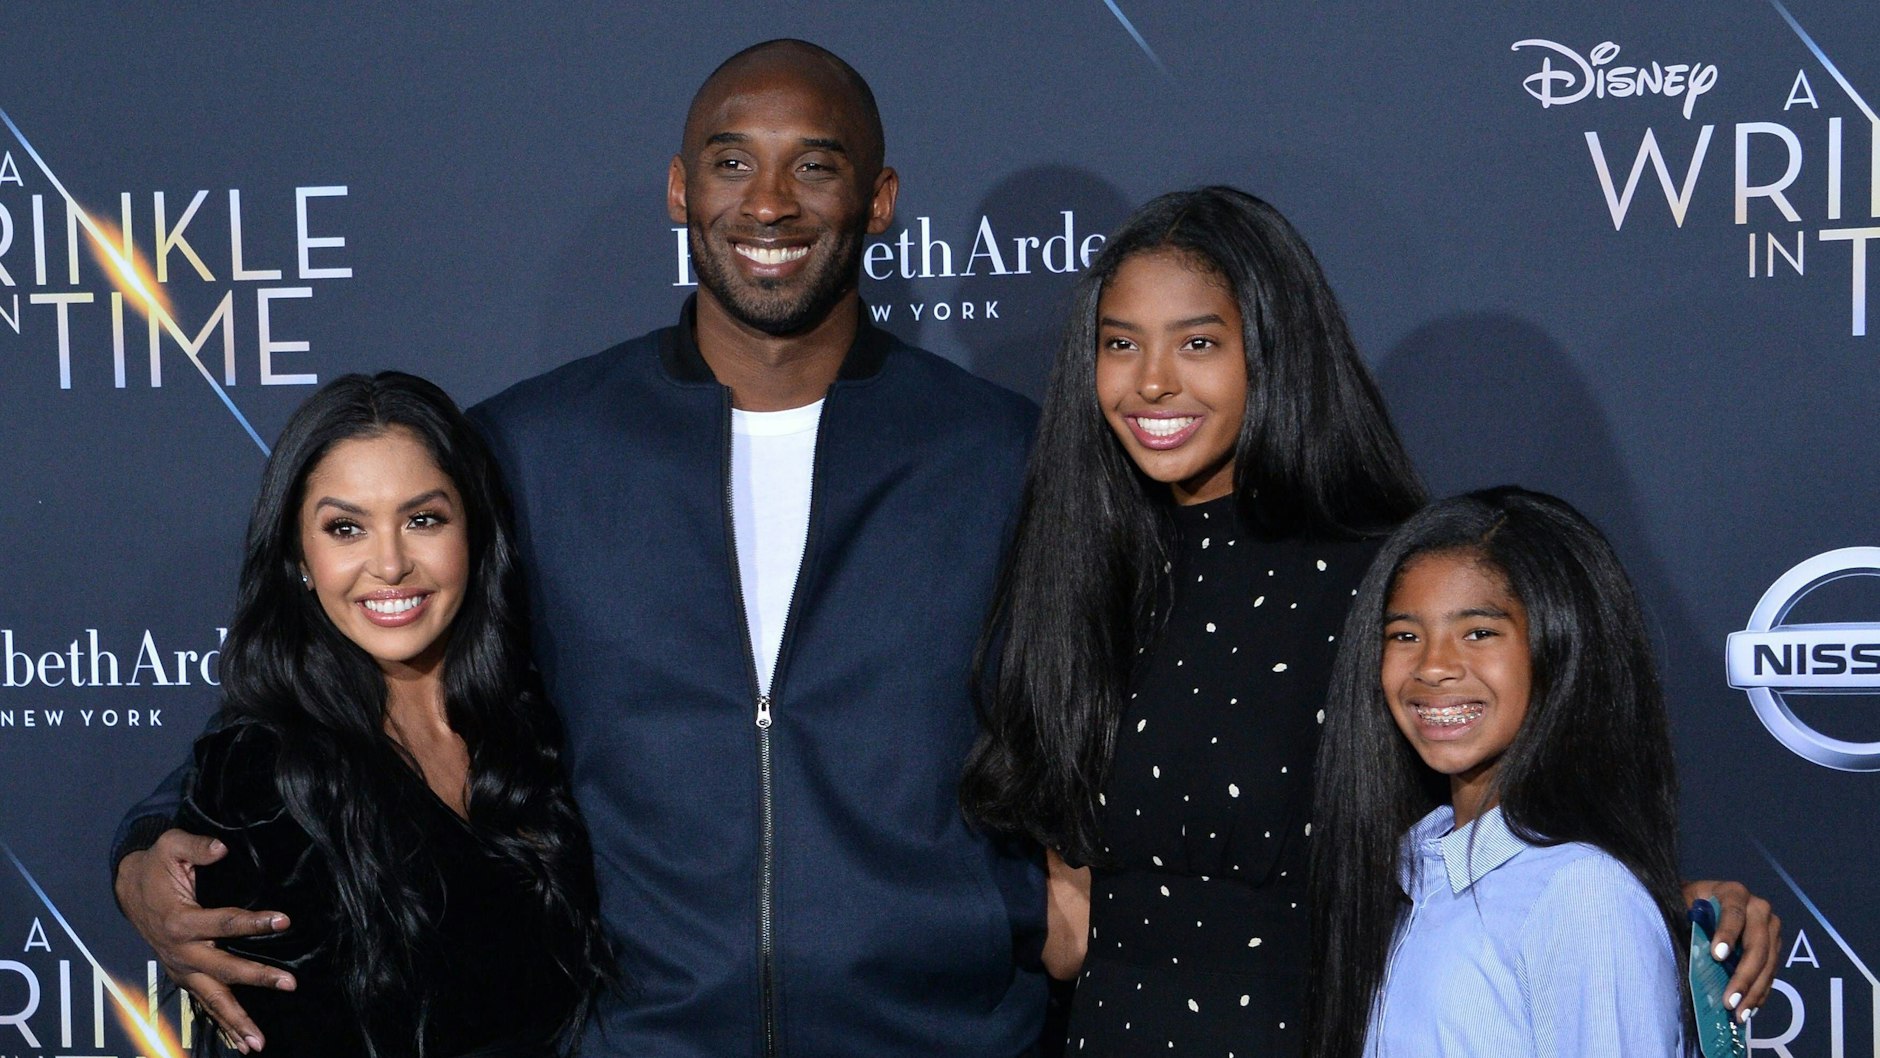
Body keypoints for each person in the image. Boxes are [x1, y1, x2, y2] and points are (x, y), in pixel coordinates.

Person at [112, 40, 1046, 1057]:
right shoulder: (532, 446)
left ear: (878, 199)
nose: (768, 203)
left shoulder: (1001, 453)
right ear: (681, 190)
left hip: (937, 1036)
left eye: (814, 165)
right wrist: (144, 850)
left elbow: (1111, 723)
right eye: (731, 162)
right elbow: (324, 676)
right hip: (634, 1038)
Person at [960, 187, 1777, 1055]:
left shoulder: (1386, 578)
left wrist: (1663, 906)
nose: (1152, 380)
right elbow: (1067, 910)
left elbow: (1506, 838)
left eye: (1199, 343)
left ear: (1274, 352)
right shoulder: (1080, 571)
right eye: (1119, 344)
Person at [169, 372, 610, 1057]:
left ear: (474, 532)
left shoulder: (536, 721)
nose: (391, 563)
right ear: (300, 560)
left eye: (423, 519)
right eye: (346, 528)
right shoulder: (263, 775)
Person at [1305, 487, 1692, 1057]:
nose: (1433, 666)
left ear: (1562, 646)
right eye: (1404, 635)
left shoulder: (1582, 892)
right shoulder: (1404, 874)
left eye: (1478, 633)